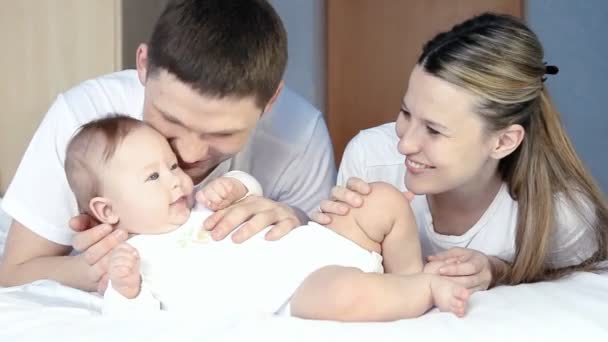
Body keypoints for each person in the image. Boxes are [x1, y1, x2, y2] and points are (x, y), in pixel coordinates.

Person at [0, 0, 335, 293]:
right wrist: (94, 269)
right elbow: (15, 272)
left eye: (221, 134)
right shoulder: (84, 120)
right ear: (144, 65)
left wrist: (295, 220)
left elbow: (327, 264)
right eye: (170, 120)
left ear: (271, 100)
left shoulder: (301, 138)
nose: (188, 156)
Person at [311, 12, 608, 297]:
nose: (404, 145)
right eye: (405, 112)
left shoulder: (560, 214)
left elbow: (576, 286)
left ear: (503, 141)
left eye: (434, 130)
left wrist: (498, 270)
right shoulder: (371, 159)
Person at [65, 115, 468, 320]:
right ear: (107, 210)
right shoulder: (133, 257)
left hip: (322, 241)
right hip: (297, 291)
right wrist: (126, 286)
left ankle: (406, 276)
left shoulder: (200, 202)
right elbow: (130, 322)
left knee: (381, 200)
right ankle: (423, 291)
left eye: (172, 166)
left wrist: (238, 187)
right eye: (154, 176)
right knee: (344, 296)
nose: (175, 181)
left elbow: (253, 192)